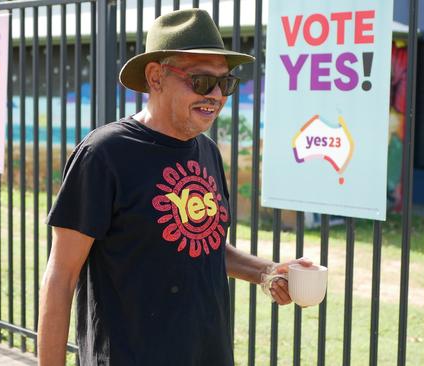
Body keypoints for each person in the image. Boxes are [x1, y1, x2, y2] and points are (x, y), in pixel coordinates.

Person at [38, 8, 312, 366]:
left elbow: (201, 244)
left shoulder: (207, 151)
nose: (216, 94)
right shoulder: (103, 155)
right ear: (156, 77)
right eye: (201, 81)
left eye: (225, 83)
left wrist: (267, 271)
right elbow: (61, 276)